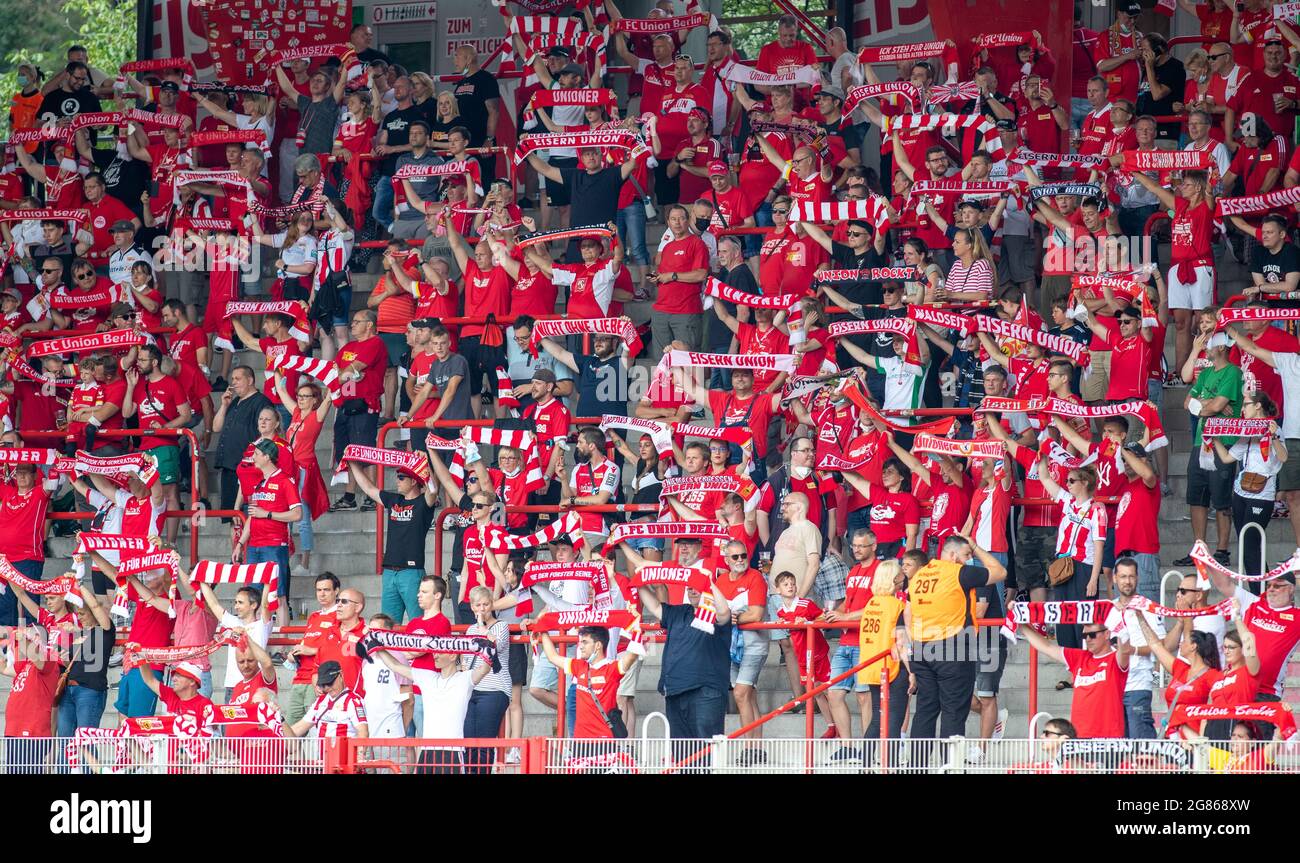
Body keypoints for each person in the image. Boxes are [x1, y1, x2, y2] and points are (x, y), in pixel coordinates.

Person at [902, 534, 1006, 766]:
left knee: (926, 711)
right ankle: (950, 768)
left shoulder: (918, 576)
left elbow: (908, 612)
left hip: (921, 650)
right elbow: (999, 571)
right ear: (952, 555)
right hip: (953, 649)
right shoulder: (958, 572)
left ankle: (916, 767)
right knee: (953, 711)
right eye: (966, 556)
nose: (969, 560)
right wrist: (976, 546)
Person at [637, 566, 732, 760]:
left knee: (707, 753)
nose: (693, 590)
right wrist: (638, 581)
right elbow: (655, 607)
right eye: (690, 587)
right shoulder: (679, 611)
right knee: (682, 754)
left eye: (697, 586)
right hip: (674, 690)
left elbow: (724, 612)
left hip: (706, 691)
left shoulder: (712, 612)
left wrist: (710, 583)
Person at [349, 456, 437, 623]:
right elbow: (368, 488)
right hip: (389, 571)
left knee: (418, 623)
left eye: (401, 477)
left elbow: (433, 490)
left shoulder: (422, 502)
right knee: (387, 625)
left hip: (411, 572)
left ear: (413, 482)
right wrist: (352, 463)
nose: (397, 480)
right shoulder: (394, 500)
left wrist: (425, 464)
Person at [1019, 618, 1134, 739]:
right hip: (1078, 739)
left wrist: (1119, 616)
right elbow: (1046, 647)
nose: (1088, 639)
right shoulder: (1079, 657)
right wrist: (1020, 622)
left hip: (1109, 739)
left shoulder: (1115, 658)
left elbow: (1125, 647)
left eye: (1092, 635)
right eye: (1084, 636)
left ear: (1107, 634)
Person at [1214, 394, 1286, 584]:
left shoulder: (1274, 428)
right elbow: (1228, 458)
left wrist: (1274, 437)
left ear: (1258, 406)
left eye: (1246, 405)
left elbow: (1283, 457)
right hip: (1240, 493)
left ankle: (1265, 591)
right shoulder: (1247, 432)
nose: (1242, 410)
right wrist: (1213, 439)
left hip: (1262, 495)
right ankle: (1262, 591)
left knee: (1251, 544)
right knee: (1246, 546)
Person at [330, 310, 388, 513]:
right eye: (352, 321)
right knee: (347, 452)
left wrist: (347, 373)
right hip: (345, 403)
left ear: (369, 325)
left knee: (366, 450)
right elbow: (335, 372)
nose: (351, 325)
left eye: (356, 322)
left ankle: (373, 494)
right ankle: (350, 495)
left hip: (365, 403)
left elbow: (354, 367)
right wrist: (346, 374)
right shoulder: (348, 347)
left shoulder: (375, 343)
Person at [212, 366, 273, 516]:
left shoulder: (261, 401)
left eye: (238, 379)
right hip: (228, 466)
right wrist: (224, 405)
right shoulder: (233, 402)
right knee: (230, 517)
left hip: (247, 467)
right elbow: (216, 427)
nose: (233, 383)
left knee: (245, 515)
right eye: (232, 379)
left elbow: (267, 433)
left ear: (250, 380)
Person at [0, 623, 59, 771]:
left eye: (29, 633)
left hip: (33, 730)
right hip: (14, 729)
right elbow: (4, 669)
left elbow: (33, 653)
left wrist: (19, 636)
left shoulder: (49, 659)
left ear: (38, 638)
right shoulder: (25, 663)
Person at [286, 659, 369, 740]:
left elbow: (363, 733)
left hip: (345, 753)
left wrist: (360, 754)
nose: (327, 688)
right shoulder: (320, 701)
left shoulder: (354, 701)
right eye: (323, 685)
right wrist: (280, 728)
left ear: (341, 675)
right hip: (323, 753)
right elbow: (300, 727)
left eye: (330, 683)